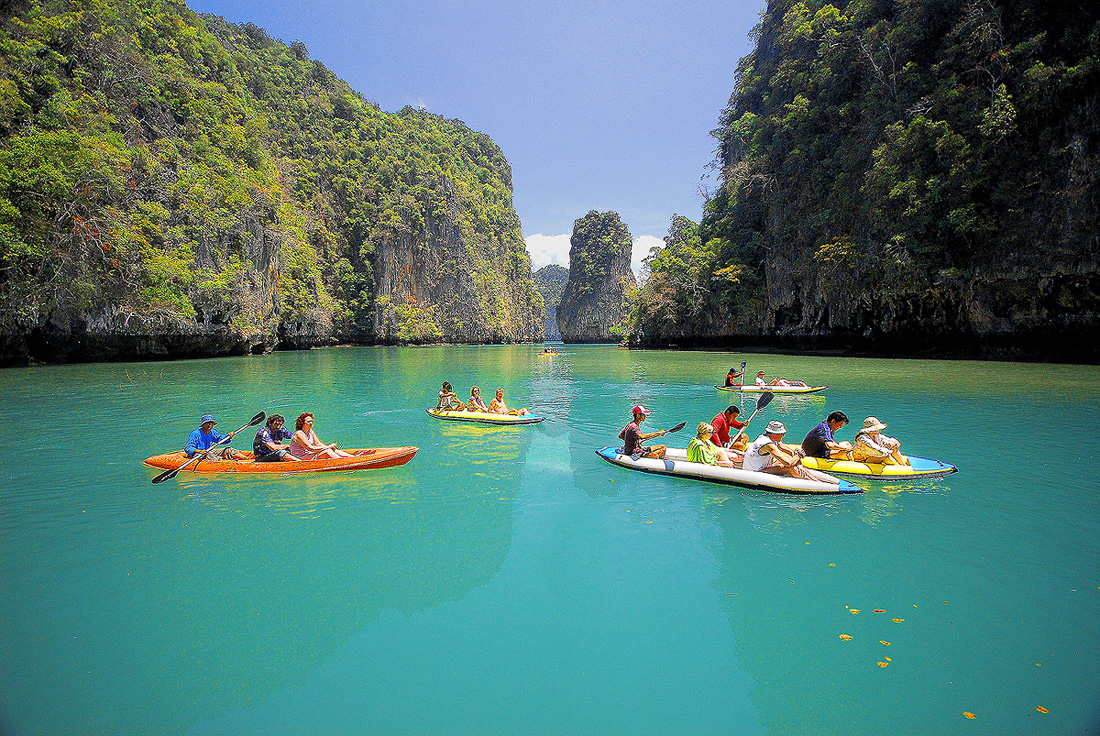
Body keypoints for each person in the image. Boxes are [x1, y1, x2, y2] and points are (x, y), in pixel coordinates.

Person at [743, 420, 833, 482]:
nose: (783, 435)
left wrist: (797, 458)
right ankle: (816, 483)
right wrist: (799, 456)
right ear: (774, 434)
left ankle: (811, 478)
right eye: (782, 434)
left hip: (762, 467)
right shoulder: (768, 445)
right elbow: (788, 463)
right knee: (790, 467)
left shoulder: (768, 437)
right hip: (755, 472)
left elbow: (785, 449)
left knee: (790, 459)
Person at [289, 412, 353, 459]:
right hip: (301, 457)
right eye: (308, 422)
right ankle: (342, 461)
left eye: (312, 421)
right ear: (302, 423)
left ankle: (352, 458)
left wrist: (329, 447)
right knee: (327, 451)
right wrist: (327, 447)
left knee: (331, 449)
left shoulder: (310, 431)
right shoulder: (299, 434)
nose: (311, 423)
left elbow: (317, 443)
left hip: (309, 454)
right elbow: (310, 448)